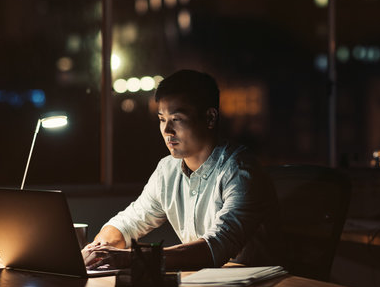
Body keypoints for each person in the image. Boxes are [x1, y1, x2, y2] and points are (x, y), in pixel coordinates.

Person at [82, 70, 282, 270]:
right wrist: (100, 248)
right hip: (205, 285)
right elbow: (130, 221)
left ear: (210, 118)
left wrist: (132, 258)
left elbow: (215, 248)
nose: (167, 131)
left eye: (177, 119)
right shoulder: (167, 169)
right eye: (162, 119)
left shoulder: (240, 171)